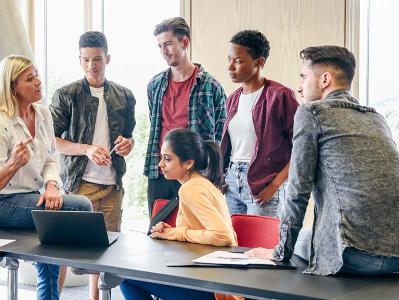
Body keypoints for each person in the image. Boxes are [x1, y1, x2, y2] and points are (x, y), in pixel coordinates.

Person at [246, 46, 399, 275]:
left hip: (357, 254)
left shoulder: (312, 113)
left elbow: (298, 190)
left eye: (304, 77)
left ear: (325, 79)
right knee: (311, 235)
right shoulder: (376, 117)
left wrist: (279, 253)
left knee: (300, 244)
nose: (299, 86)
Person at [0, 55, 92, 299]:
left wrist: (52, 185)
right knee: (80, 206)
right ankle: (83, 259)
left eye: (37, 75)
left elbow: (51, 159)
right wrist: (13, 164)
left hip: (31, 196)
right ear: (13, 88)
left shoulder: (42, 114)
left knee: (51, 257)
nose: (38, 82)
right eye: (30, 79)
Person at [50, 31, 136, 300]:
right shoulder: (66, 95)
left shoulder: (125, 96)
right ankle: (53, 296)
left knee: (105, 252)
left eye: (97, 59)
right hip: (78, 185)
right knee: (65, 250)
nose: (91, 66)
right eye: (85, 60)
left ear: (107, 58)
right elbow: (52, 141)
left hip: (112, 185)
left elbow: (129, 136)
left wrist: (128, 144)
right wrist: (86, 149)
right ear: (79, 59)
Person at [121, 128, 238, 300]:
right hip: (217, 281)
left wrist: (178, 233)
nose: (161, 164)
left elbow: (223, 236)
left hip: (212, 288)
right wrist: (172, 232)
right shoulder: (202, 183)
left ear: (188, 163)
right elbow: (201, 230)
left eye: (167, 159)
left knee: (126, 277)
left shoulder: (190, 189)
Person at [145, 17, 226, 218]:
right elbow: (155, 127)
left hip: (196, 173)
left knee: (195, 234)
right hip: (160, 172)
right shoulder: (154, 85)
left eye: (168, 44)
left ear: (185, 43)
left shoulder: (211, 86)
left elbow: (219, 136)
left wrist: (214, 176)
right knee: (158, 232)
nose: (164, 51)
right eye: (160, 46)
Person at [221, 30, 299, 217]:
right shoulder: (232, 99)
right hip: (232, 181)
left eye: (238, 61)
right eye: (229, 59)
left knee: (260, 245)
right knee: (236, 244)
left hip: (263, 182)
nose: (230, 67)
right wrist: (222, 176)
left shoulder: (280, 96)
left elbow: (302, 147)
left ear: (259, 62)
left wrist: (274, 185)